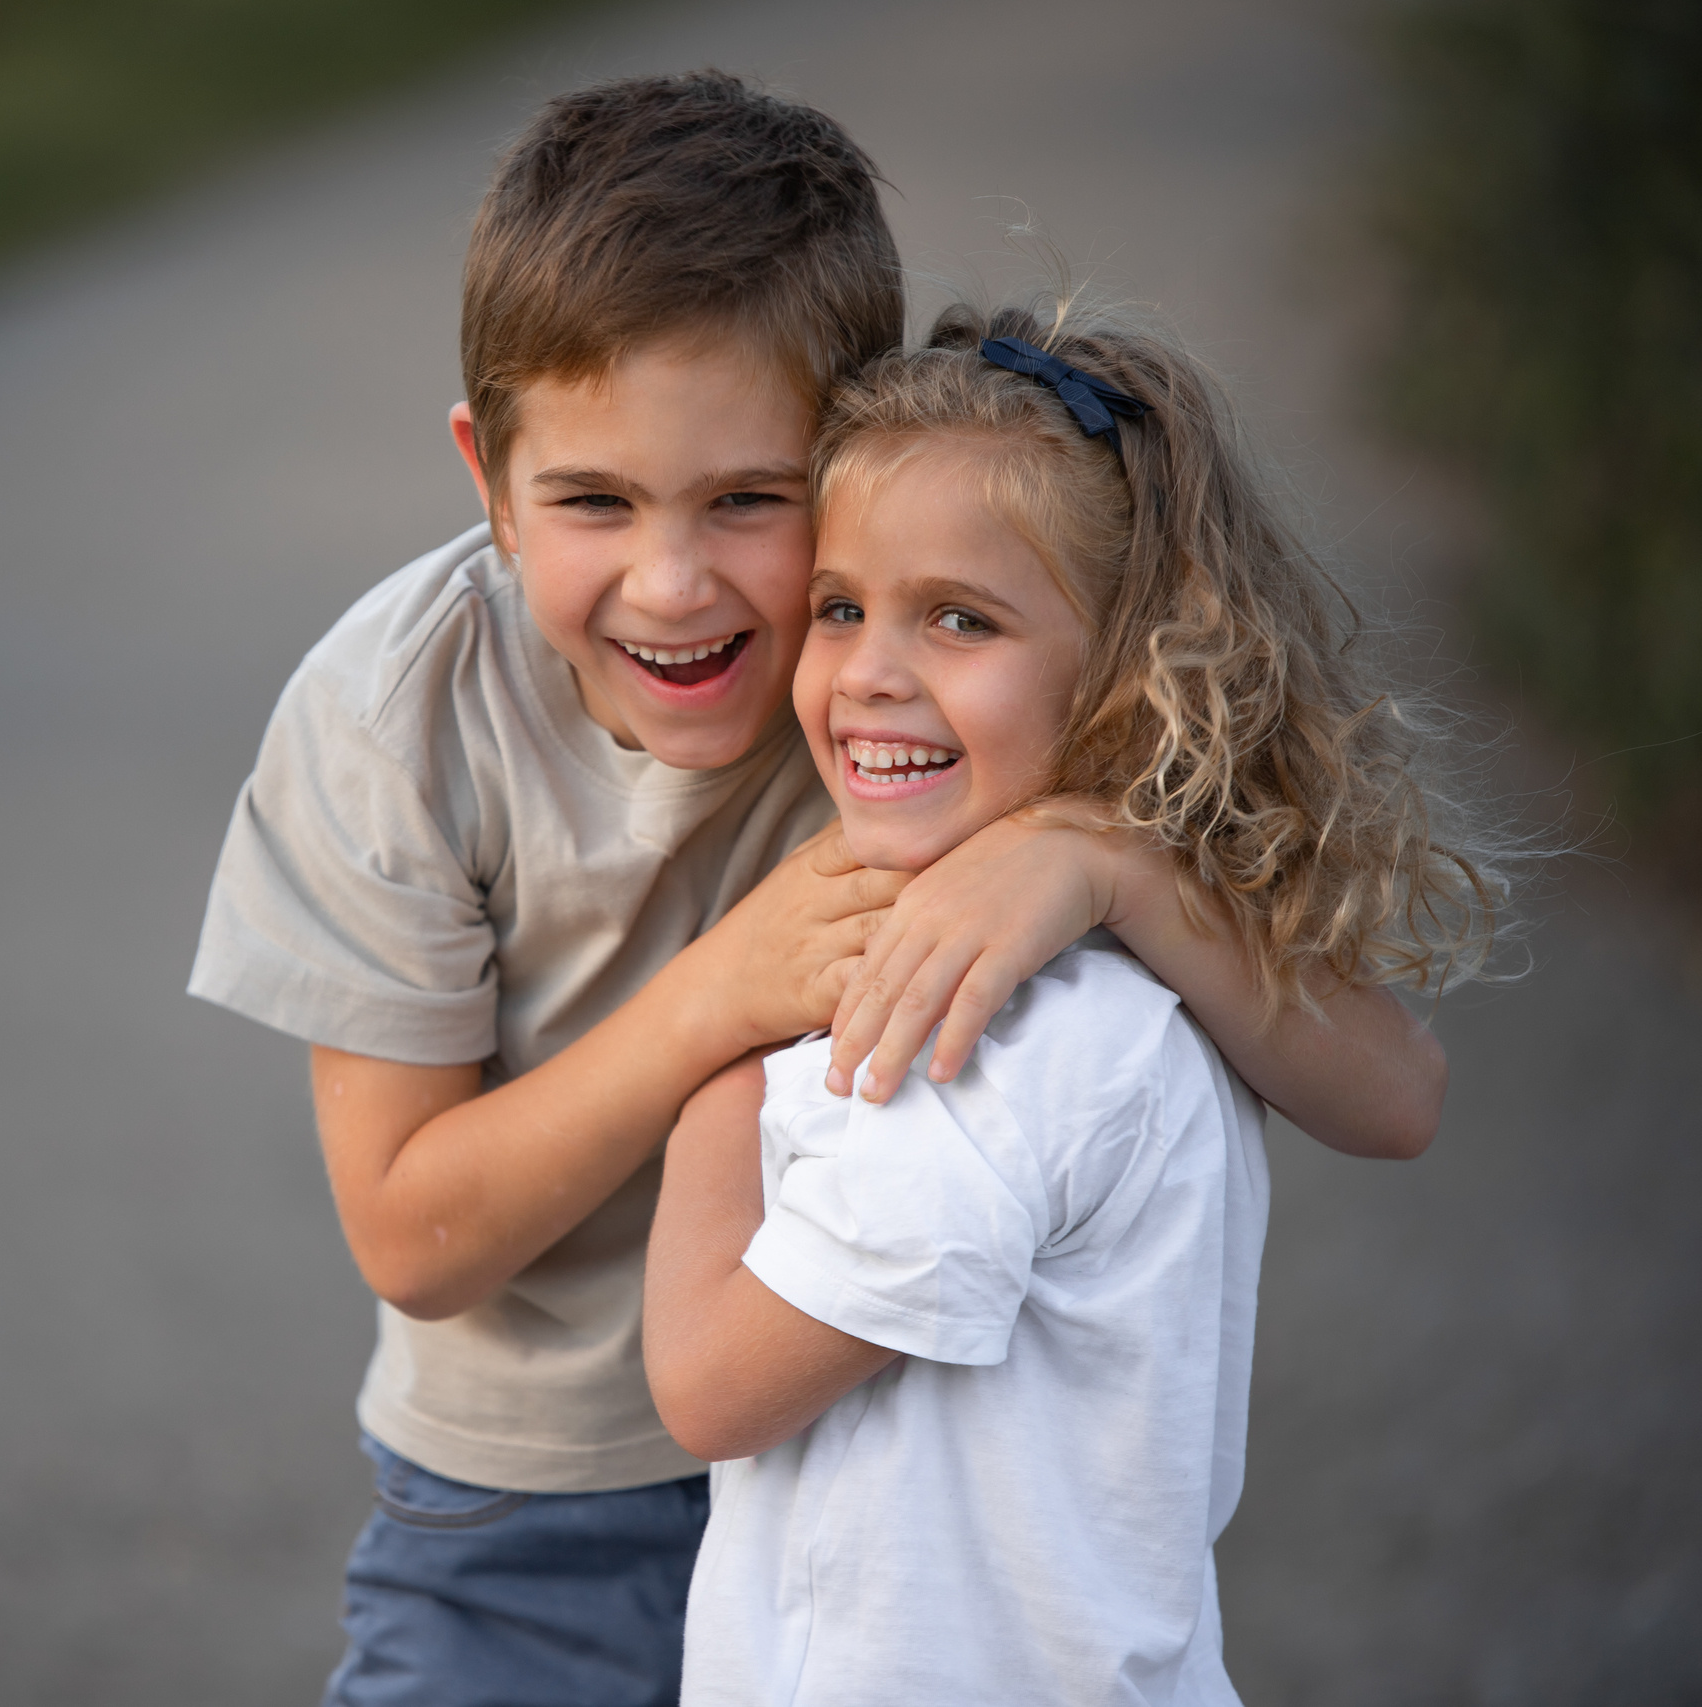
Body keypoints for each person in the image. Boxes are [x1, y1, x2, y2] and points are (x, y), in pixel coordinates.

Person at [189, 73, 1449, 1707]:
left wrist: (1107, 860)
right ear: (489, 478)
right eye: (590, 500)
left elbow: (1394, 1090)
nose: (675, 581)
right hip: (526, 1512)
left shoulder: (932, 688)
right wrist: (721, 998)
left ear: (858, 452)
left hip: (866, 1483)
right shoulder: (395, 718)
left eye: (751, 502)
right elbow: (413, 1236)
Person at [645, 301, 1513, 1705]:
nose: (869, 667)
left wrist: (719, 1072)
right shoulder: (1126, 961)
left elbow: (708, 1387)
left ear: (1125, 670)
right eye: (841, 606)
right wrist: (1112, 861)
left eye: (961, 618)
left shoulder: (990, 1039)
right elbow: (1401, 1094)